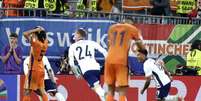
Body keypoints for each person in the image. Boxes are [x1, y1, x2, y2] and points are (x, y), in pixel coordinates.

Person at [104, 19, 145, 101]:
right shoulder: (131, 28)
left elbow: (108, 44)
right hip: (121, 60)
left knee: (110, 89)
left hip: (109, 59)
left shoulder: (112, 28)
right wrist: (144, 52)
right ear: (131, 24)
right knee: (122, 90)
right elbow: (139, 43)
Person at [68, 28, 107, 101]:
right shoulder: (91, 42)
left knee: (97, 88)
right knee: (94, 87)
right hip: (96, 68)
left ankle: (106, 94)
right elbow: (104, 51)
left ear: (79, 35)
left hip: (86, 69)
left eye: (75, 34)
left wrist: (76, 73)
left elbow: (71, 62)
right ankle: (104, 96)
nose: (74, 36)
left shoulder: (72, 46)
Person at [23, 26, 48, 101]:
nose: (33, 34)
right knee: (42, 91)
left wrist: (35, 30)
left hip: (33, 70)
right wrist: (40, 30)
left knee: (27, 91)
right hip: (41, 70)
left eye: (34, 34)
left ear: (36, 34)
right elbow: (44, 35)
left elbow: (25, 34)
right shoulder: (45, 43)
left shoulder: (36, 44)